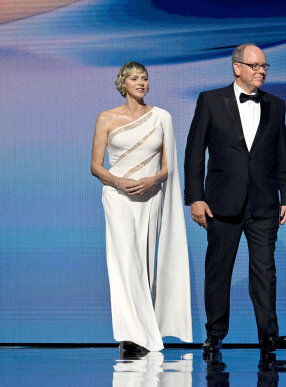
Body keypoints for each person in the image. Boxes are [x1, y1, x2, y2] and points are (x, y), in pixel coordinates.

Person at [184, 44, 286, 353]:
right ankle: (215, 334)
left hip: (264, 202)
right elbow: (194, 153)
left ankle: (268, 335)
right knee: (218, 271)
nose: (261, 70)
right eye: (255, 65)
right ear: (237, 68)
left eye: (264, 66)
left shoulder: (276, 105)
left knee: (265, 271)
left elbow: (281, 153)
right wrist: (195, 198)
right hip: (221, 203)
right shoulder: (210, 101)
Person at [91, 61, 192, 355]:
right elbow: (96, 166)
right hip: (117, 197)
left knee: (144, 261)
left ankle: (143, 331)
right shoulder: (106, 118)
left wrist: (152, 180)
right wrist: (120, 183)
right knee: (124, 263)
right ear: (123, 83)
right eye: (135, 78)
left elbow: (167, 167)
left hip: (150, 197)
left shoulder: (161, 117)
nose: (141, 83)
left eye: (145, 78)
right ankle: (131, 334)